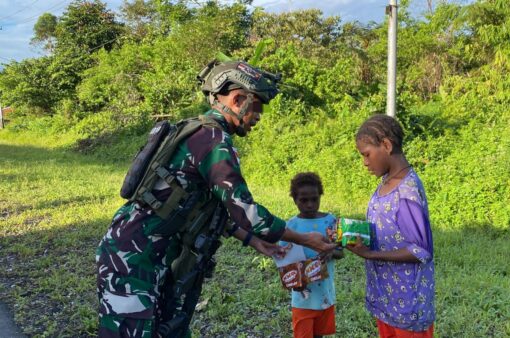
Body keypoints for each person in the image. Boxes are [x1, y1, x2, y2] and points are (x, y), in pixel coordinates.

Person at [95, 60, 336, 338]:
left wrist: (254, 242)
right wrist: (305, 239)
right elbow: (246, 211)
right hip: (134, 258)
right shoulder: (213, 140)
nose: (259, 117)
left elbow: (207, 209)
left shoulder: (200, 131)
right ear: (237, 99)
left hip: (147, 252)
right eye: (258, 107)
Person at [346, 114, 435, 338]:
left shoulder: (407, 191)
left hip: (407, 307)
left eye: (367, 154)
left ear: (386, 145)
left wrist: (371, 255)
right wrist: (346, 233)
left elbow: (420, 250)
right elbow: (385, 227)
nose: (365, 162)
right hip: (386, 299)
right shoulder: (386, 182)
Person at [280, 172, 343, 338]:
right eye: (304, 200)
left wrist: (331, 252)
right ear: (294, 199)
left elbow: (340, 252)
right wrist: (293, 282)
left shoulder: (330, 222)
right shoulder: (289, 227)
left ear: (320, 196)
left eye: (314, 199)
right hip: (302, 297)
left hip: (325, 294)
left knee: (319, 335)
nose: (310, 204)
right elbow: (283, 260)